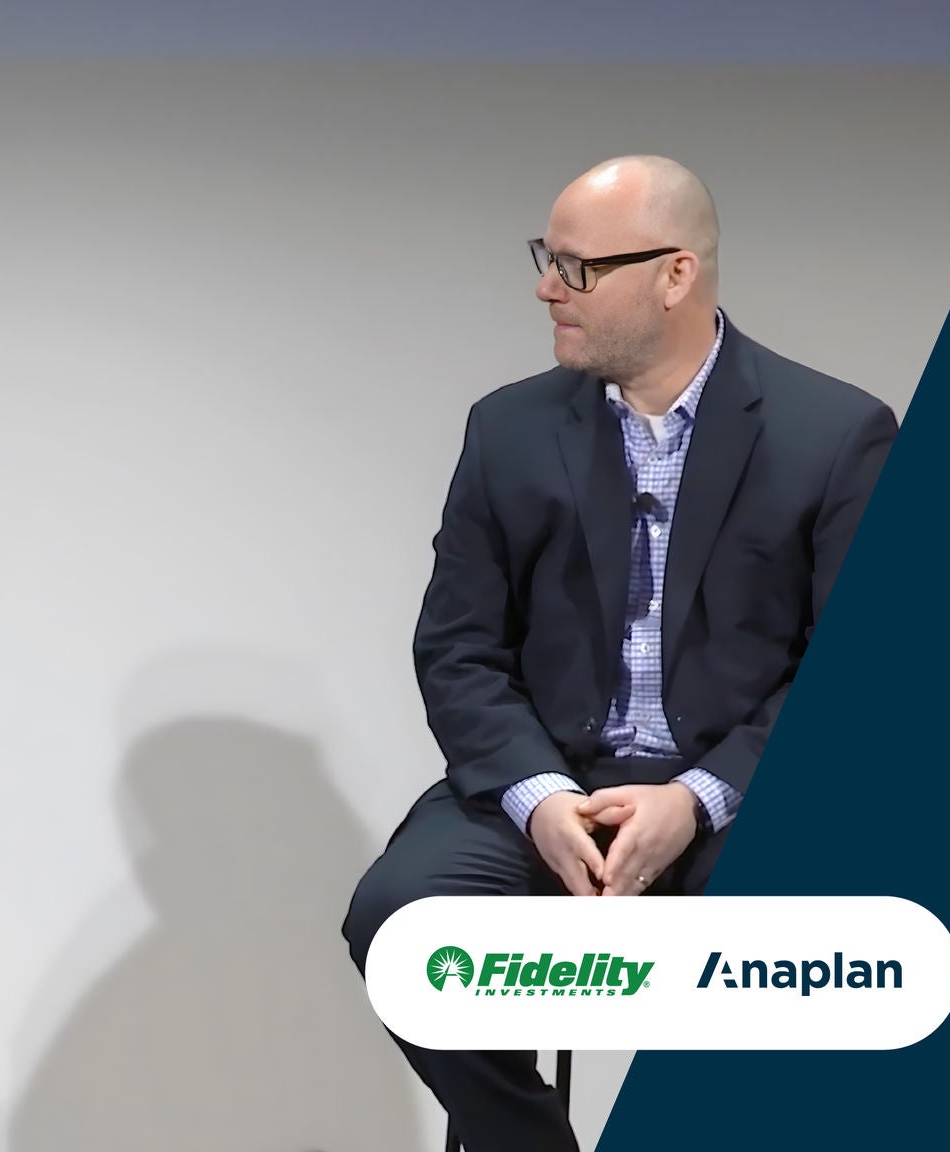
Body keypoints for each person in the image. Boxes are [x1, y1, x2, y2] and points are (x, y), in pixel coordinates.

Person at [340, 155, 895, 1151]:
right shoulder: (505, 430)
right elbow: (457, 649)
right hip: (549, 788)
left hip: (733, 793)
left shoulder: (833, 434)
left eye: (574, 267)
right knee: (398, 918)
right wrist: (538, 798)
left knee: (818, 949)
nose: (544, 286)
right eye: (544, 259)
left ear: (674, 275)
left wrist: (694, 799)